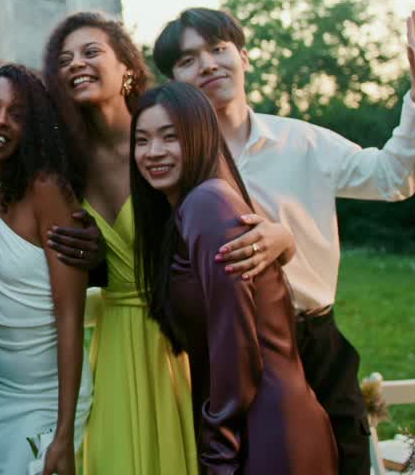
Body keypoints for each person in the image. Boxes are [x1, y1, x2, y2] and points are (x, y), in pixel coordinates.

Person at [153, 8, 415, 475]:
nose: (206, 64)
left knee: (348, 457)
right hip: (231, 352)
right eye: (187, 60)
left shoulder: (302, 141)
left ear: (244, 57)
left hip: (316, 339)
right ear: (174, 81)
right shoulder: (171, 160)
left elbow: (392, 177)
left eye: (218, 49)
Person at [41, 11, 296, 475]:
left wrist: (284, 236)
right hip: (114, 343)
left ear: (127, 66)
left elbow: (237, 224)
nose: (76, 63)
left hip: (182, 341)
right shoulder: (66, 161)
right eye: (64, 59)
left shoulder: (170, 130)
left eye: (91, 51)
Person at [133, 82, 337, 474]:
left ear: (201, 137)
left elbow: (236, 342)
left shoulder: (206, 204)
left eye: (170, 137)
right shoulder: (190, 209)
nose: (153, 152)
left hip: (263, 432)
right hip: (263, 422)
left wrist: (218, 450)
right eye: (142, 141)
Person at [0, 63, 92, 475]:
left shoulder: (46, 190)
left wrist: (63, 433)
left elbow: (70, 316)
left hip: (51, 396)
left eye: (17, 114)